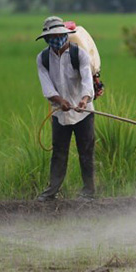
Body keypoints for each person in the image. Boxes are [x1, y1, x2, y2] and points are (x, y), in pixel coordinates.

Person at [35, 16, 95, 201]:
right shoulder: (43, 59)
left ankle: (89, 191)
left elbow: (87, 80)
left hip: (83, 113)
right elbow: (47, 87)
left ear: (66, 35)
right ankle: (52, 191)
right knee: (59, 152)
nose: (57, 39)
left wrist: (84, 100)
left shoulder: (80, 55)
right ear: (47, 39)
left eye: (60, 35)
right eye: (52, 37)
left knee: (86, 152)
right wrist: (60, 100)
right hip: (60, 113)